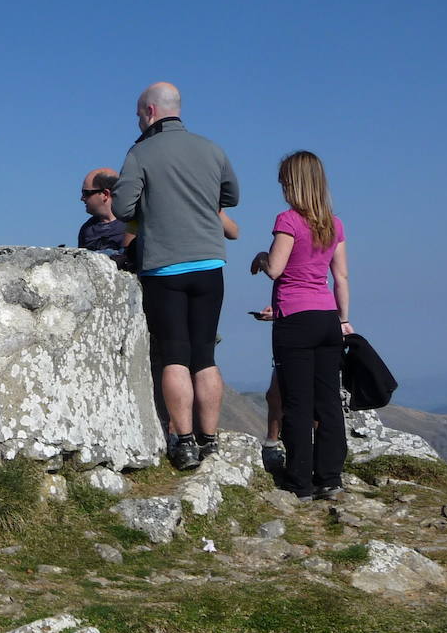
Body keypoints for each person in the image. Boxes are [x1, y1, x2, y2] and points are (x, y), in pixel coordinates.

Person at [113, 82, 240, 469]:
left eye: (138, 113)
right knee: (204, 354)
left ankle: (184, 442)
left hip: (164, 267)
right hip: (209, 264)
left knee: (174, 356)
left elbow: (121, 206)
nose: (137, 119)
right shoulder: (212, 149)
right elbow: (230, 197)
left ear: (150, 111)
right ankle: (210, 439)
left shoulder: (141, 152)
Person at [251, 150, 350, 500]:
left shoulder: (288, 220)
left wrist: (261, 257)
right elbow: (340, 276)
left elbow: (276, 269)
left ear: (293, 184)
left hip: (295, 321)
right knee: (328, 401)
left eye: (283, 182)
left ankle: (299, 483)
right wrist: (344, 319)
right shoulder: (333, 224)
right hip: (327, 319)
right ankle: (330, 479)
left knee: (297, 403)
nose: (282, 188)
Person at [77, 168, 129, 261]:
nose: (82, 198)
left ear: (105, 194)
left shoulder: (132, 223)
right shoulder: (86, 230)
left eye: (86, 193)